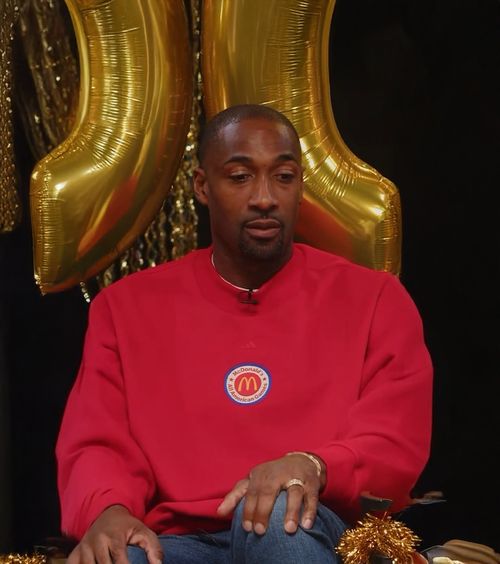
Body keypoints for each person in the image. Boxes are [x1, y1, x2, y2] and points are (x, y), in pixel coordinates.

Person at [56, 104, 433, 563]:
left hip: (312, 530)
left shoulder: (375, 298)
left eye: (284, 177)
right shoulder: (125, 307)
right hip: (180, 541)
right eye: (240, 177)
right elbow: (97, 440)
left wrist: (313, 466)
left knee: (279, 517)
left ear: (300, 186)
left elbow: (394, 438)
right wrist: (108, 509)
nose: (265, 198)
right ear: (202, 187)